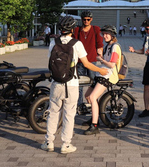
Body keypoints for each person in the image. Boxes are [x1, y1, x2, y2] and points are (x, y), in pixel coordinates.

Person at [41, 16, 108, 154]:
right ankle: (66, 144)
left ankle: (49, 142)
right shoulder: (76, 44)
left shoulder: (53, 43)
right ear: (72, 29)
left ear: (60, 29)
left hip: (55, 83)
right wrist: (101, 70)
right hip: (71, 83)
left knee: (53, 113)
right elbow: (87, 64)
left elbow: (51, 62)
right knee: (69, 114)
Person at [83, 25, 121, 135]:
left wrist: (100, 59)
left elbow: (112, 64)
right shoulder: (108, 46)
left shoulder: (115, 46)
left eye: (107, 34)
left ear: (112, 35)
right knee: (87, 96)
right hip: (102, 74)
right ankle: (94, 116)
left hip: (109, 76)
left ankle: (94, 125)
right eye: (104, 34)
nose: (105, 36)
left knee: (92, 97)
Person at [73, 11, 104, 108]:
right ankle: (78, 104)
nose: (86, 21)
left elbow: (99, 44)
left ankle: (93, 101)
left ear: (91, 19)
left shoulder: (96, 29)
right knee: (79, 84)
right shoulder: (77, 30)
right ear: (81, 19)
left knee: (94, 82)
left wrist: (100, 56)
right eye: (84, 19)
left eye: (88, 19)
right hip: (79, 61)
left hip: (91, 60)